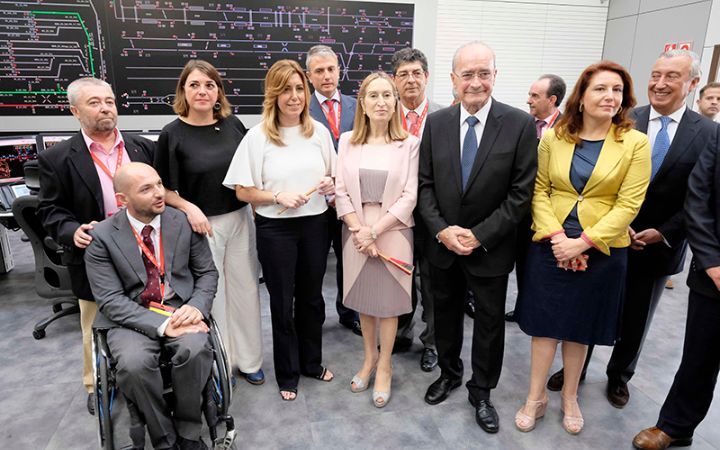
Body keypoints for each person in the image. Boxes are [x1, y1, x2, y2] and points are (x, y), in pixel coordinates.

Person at [546, 51, 712, 410]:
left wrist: (662, 231)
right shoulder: (622, 118)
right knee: (587, 306)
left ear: (693, 84)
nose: (660, 83)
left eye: (672, 76)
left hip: (659, 242)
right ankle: (576, 371)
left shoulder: (708, 134)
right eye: (655, 74)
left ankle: (619, 376)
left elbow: (701, 197)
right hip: (602, 237)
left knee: (637, 316)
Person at [514, 61, 650, 435]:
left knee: (580, 328)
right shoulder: (555, 136)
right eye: (601, 89)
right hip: (551, 242)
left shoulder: (635, 143)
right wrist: (558, 238)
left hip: (601, 247)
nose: (610, 97)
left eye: (617, 90)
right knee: (545, 326)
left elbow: (629, 204)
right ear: (582, 96)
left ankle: (570, 396)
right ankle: (535, 396)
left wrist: (584, 242)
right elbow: (540, 189)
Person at [418, 41, 537, 433]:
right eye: (467, 74)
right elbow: (425, 186)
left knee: (489, 323)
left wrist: (478, 235)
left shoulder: (518, 124)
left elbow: (521, 193)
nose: (475, 82)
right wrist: (442, 230)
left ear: (495, 76)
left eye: (483, 73)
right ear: (453, 79)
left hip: (491, 248)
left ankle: (481, 390)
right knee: (446, 315)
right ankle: (449, 373)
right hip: (444, 247)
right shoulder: (435, 124)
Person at [37, 77, 155, 415]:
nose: (105, 107)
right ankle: (96, 384)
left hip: (144, 247)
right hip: (95, 253)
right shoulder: (57, 158)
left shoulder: (141, 147)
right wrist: (72, 230)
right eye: (94, 102)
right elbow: (49, 208)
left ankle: (147, 373)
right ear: (75, 111)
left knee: (150, 311)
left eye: (109, 101)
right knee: (94, 322)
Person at [223, 59, 336, 401]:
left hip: (316, 225)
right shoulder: (257, 137)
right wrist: (276, 195)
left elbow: (332, 176)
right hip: (276, 230)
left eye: (299, 88)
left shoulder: (318, 132)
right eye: (285, 89)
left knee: (312, 299)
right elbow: (242, 191)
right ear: (273, 94)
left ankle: (311, 363)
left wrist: (330, 183)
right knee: (282, 303)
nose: (294, 96)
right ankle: (288, 373)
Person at [85, 162, 217, 450]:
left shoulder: (182, 222)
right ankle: (164, 438)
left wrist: (197, 306)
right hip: (130, 316)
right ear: (123, 200)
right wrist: (162, 326)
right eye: (146, 189)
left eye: (159, 184)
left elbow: (207, 272)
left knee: (195, 349)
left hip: (178, 307)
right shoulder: (102, 238)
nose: (159, 193)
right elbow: (109, 300)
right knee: (133, 365)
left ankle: (189, 432)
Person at [154, 59, 264, 385]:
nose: (202, 91)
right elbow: (164, 190)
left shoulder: (233, 126)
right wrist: (190, 207)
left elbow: (249, 175)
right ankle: (222, 362)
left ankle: (249, 360)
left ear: (218, 91)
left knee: (246, 291)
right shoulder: (171, 135)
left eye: (209, 85)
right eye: (195, 85)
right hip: (202, 227)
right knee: (214, 296)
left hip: (240, 219)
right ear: (184, 92)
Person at [632, 117, 720, 450]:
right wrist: (712, 262)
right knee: (700, 356)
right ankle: (676, 425)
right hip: (714, 274)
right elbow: (698, 197)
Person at [335, 71, 420, 407]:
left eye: (387, 95)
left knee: (388, 308)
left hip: (393, 232)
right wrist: (359, 231)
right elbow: (341, 192)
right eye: (373, 96)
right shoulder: (347, 141)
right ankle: (369, 359)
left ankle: (385, 366)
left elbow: (410, 196)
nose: (381, 102)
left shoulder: (409, 144)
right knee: (366, 305)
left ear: (395, 101)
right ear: (363, 104)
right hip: (354, 234)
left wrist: (374, 231)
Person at [390, 47, 444, 372]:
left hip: (433, 216)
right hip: (395, 216)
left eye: (416, 73)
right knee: (398, 279)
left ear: (426, 77)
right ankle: (400, 332)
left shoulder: (444, 116)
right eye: (403, 74)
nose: (410, 80)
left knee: (434, 286)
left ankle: (433, 343)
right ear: (394, 80)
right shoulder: (383, 116)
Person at [305, 44, 361, 337]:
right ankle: (313, 316)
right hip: (317, 202)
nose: (326, 76)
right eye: (319, 71)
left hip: (352, 202)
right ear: (309, 76)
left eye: (331, 69)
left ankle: (348, 311)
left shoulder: (358, 104)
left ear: (339, 70)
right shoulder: (301, 110)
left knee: (349, 261)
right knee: (314, 264)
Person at [506, 74, 567, 323]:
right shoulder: (523, 125)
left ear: (552, 99)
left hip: (553, 214)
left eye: (535, 96)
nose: (528, 100)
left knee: (548, 267)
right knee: (522, 262)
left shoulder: (567, 129)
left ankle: (548, 314)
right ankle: (523, 307)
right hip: (521, 210)